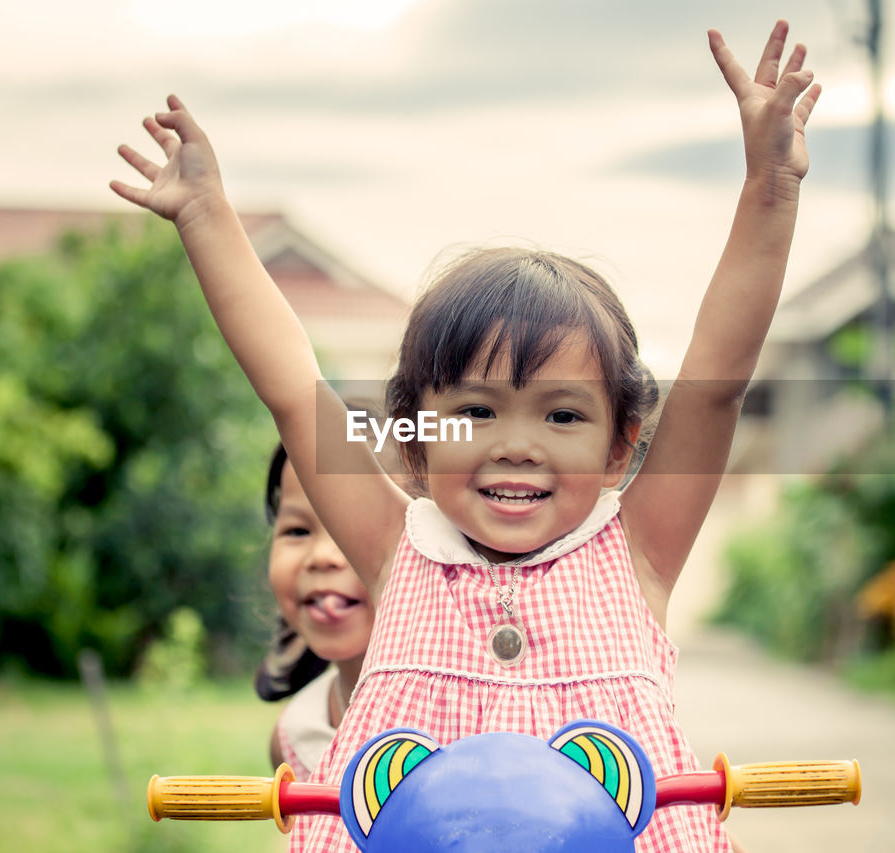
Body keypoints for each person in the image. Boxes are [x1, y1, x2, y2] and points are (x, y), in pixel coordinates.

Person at [111, 18, 818, 852]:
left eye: (562, 414)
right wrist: (206, 216)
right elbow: (296, 393)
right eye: (476, 412)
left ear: (622, 443)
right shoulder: (391, 547)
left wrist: (771, 183)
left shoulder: (640, 552)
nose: (516, 444)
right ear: (412, 438)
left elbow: (717, 384)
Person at [255, 441, 375, 779]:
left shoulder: (473, 712)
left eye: (358, 529)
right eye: (297, 531)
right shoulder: (293, 737)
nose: (322, 556)